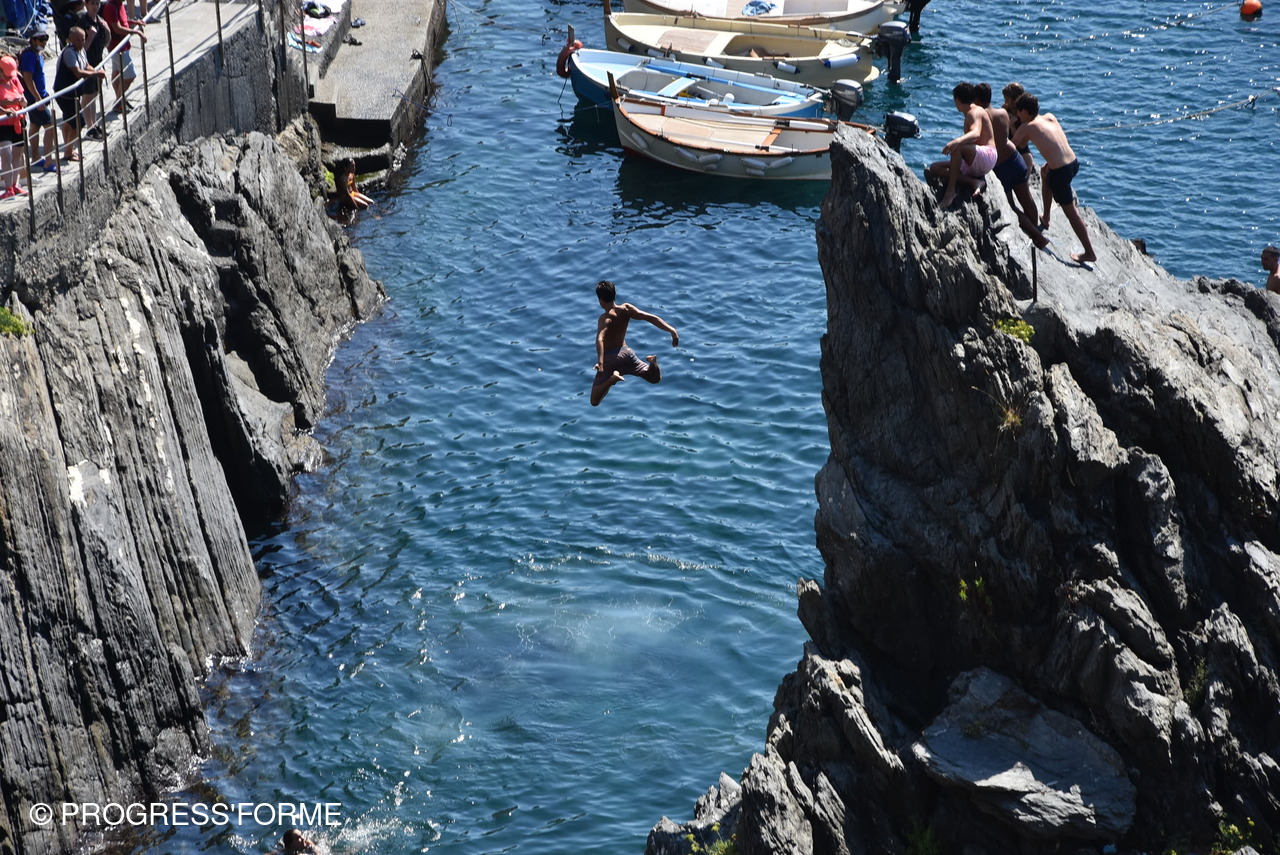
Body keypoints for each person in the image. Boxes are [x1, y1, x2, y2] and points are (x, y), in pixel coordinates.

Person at [1011, 92, 1097, 264]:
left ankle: (1089, 253)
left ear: (1025, 111)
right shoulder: (1049, 117)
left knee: (1071, 214)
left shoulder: (1026, 127)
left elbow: (1014, 145)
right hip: (1073, 163)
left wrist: (1013, 125)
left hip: (1060, 173)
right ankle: (1046, 217)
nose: (1018, 115)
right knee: (1045, 173)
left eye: (1019, 112)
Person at [974, 83, 1047, 250]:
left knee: (1011, 206)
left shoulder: (980, 116)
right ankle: (1035, 231)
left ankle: (1036, 236)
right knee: (1027, 199)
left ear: (976, 100)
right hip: (1015, 159)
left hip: (1002, 167)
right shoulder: (1002, 113)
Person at [590, 279, 678, 407]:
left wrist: (601, 362)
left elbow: (600, 339)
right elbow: (651, 318)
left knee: (594, 401)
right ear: (614, 294)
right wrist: (672, 331)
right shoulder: (626, 308)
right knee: (654, 378)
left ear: (600, 300)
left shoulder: (605, 318)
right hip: (626, 354)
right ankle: (652, 363)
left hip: (610, 359)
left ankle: (612, 379)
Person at [927, 81, 997, 208]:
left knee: (958, 148)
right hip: (975, 159)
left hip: (987, 156)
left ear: (958, 100)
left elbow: (976, 133)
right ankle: (974, 182)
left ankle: (950, 192)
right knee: (934, 168)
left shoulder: (974, 112)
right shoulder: (970, 113)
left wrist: (956, 141)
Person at [52, 25, 107, 161]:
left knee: (69, 121)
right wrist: (96, 74)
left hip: (74, 93)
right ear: (71, 39)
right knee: (79, 123)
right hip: (65, 93)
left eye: (83, 39)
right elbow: (77, 72)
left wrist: (94, 70)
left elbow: (85, 65)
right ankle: (68, 153)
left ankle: (69, 149)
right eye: (78, 40)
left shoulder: (81, 50)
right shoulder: (69, 52)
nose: (82, 43)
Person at [19, 30, 59, 172]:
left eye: (45, 39)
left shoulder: (37, 54)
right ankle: (49, 161)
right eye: (41, 39)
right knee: (50, 126)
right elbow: (28, 78)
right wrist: (38, 98)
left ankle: (35, 158)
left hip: (39, 97)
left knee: (35, 126)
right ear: (33, 40)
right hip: (34, 99)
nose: (44, 42)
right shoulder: (29, 56)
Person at [101, 0, 143, 113]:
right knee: (130, 75)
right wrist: (136, 32)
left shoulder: (119, 5)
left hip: (123, 45)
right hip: (117, 47)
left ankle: (120, 100)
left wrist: (134, 22)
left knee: (117, 72)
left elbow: (122, 21)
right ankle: (119, 101)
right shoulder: (110, 7)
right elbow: (117, 28)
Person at [0, 54, 27, 199]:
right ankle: (8, 187)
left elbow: (24, 101)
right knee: (6, 154)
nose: (9, 77)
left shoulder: (15, 80)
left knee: (17, 154)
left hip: (18, 121)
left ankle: (15, 185)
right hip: (3, 124)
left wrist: (21, 102)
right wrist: (6, 107)